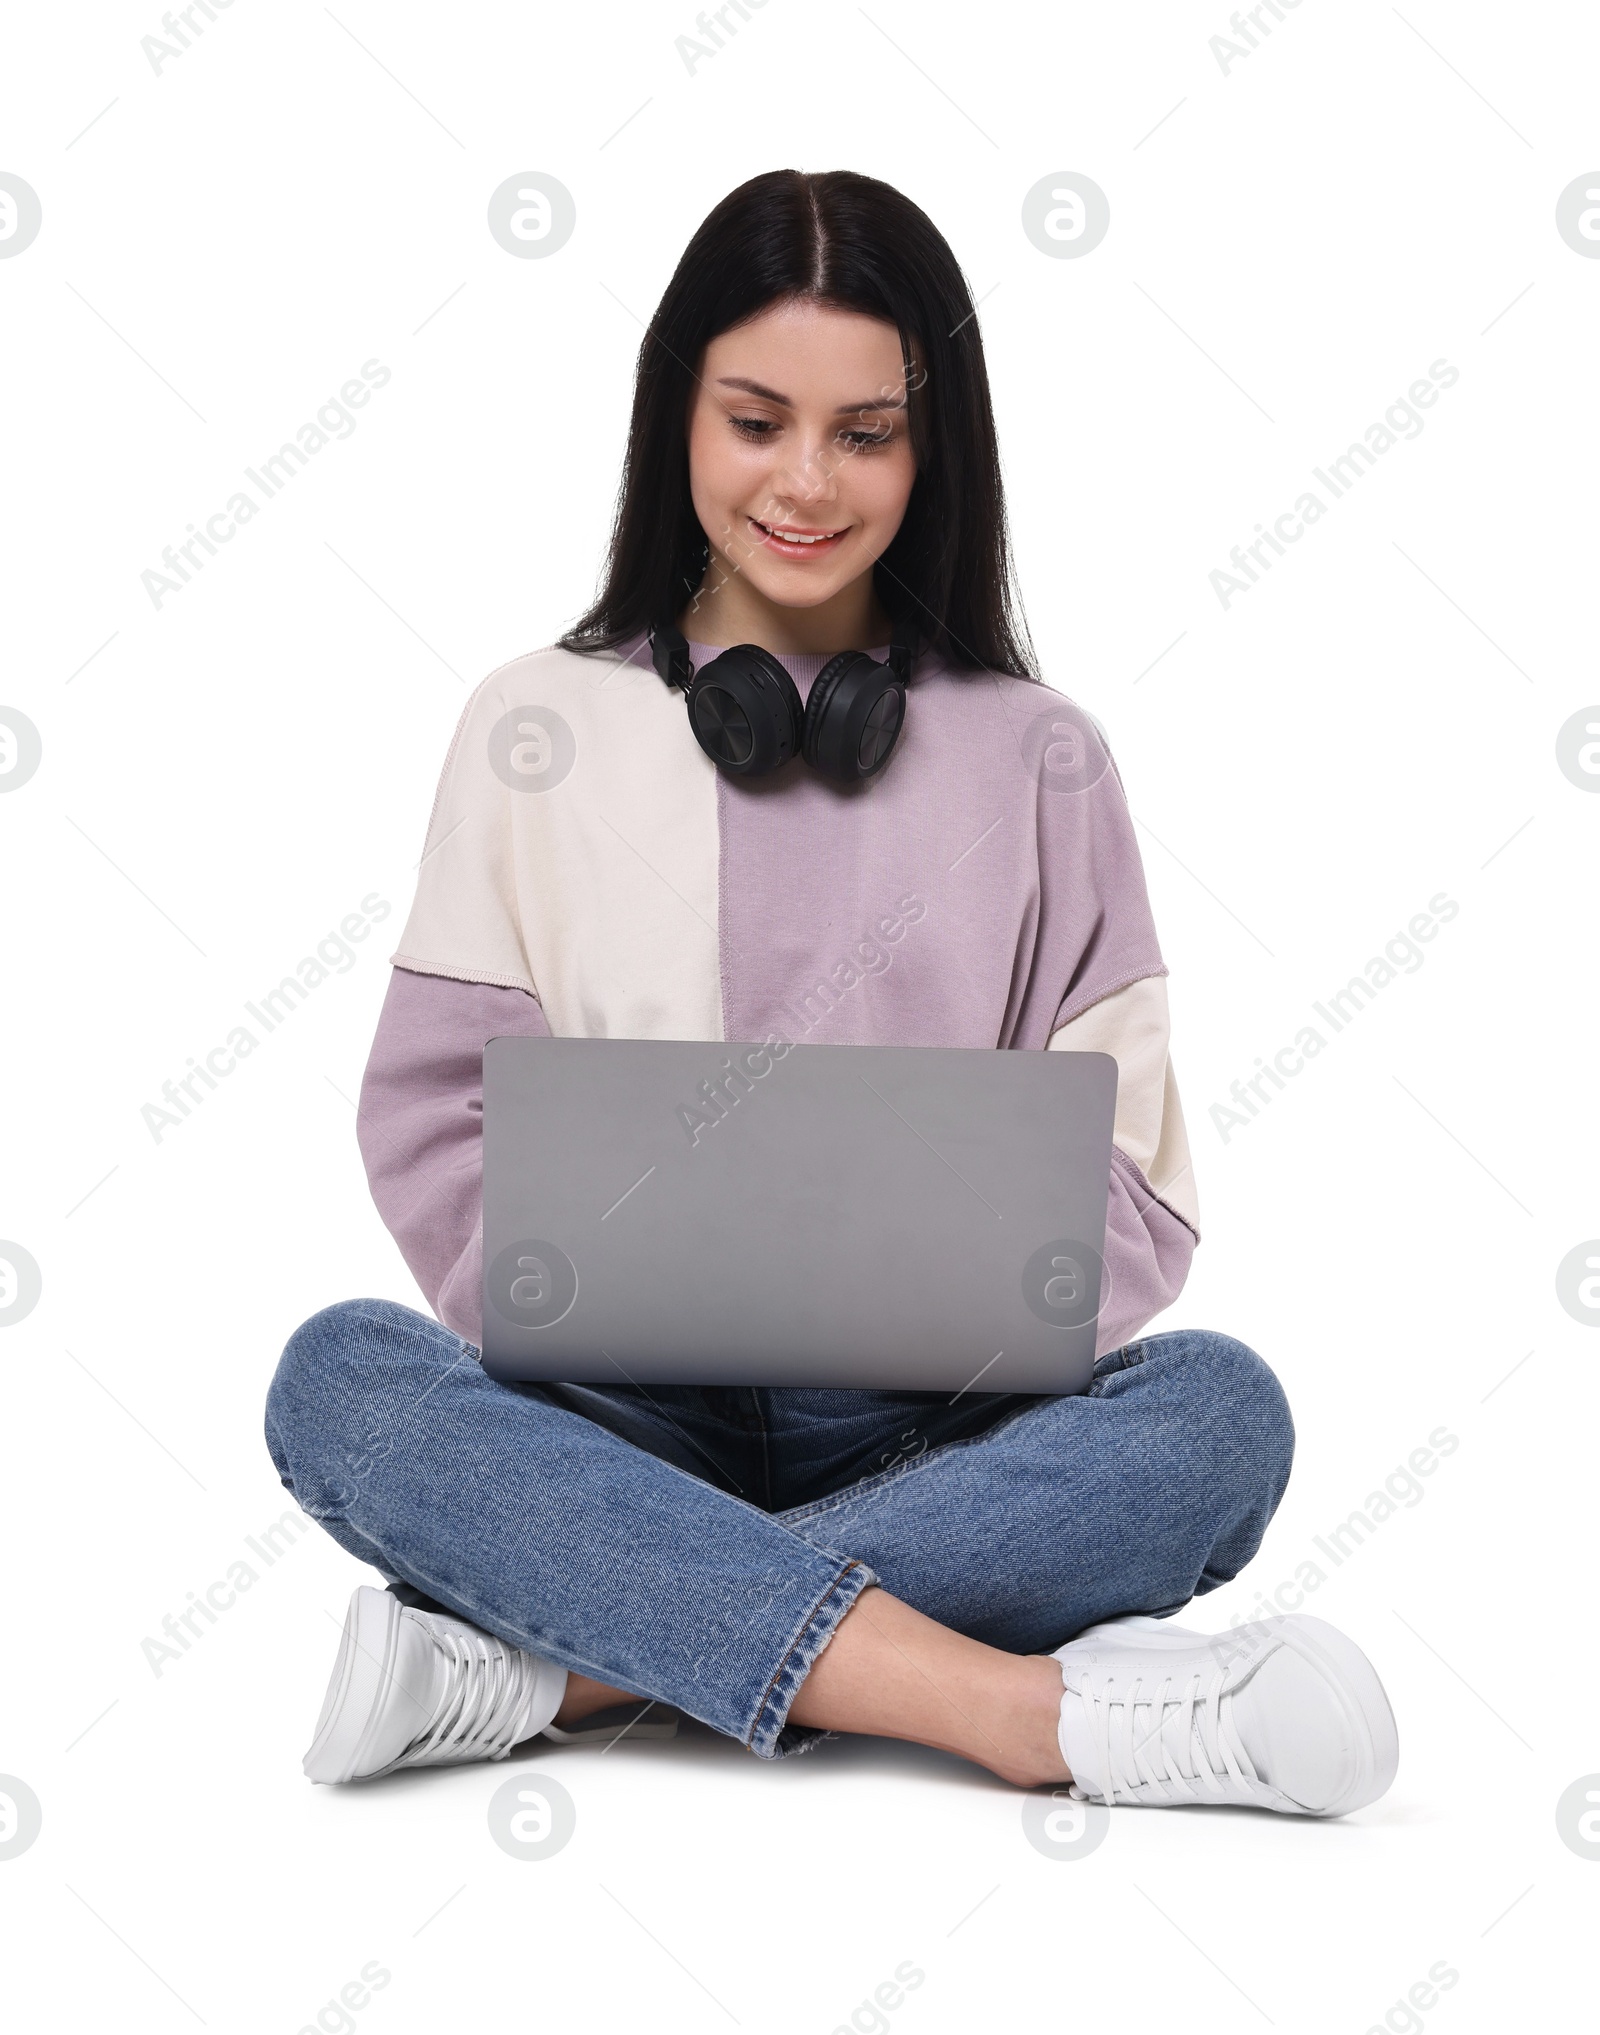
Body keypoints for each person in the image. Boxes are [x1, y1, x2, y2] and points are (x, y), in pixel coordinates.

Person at [265, 168, 1398, 1815]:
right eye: (756, 419)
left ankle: (565, 1659)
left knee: (1219, 1418)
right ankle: (1025, 1717)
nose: (808, 482)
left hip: (936, 1435)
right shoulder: (531, 724)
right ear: (678, 421)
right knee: (340, 1380)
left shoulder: (1040, 754)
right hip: (605, 1412)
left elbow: (1136, 1188)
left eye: (866, 431)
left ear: (934, 452)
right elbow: (440, 1130)